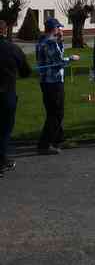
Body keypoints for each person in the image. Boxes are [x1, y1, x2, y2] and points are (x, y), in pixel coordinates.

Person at [36, 18, 80, 154]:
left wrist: (60, 42)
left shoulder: (43, 41)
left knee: (55, 112)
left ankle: (58, 140)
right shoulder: (50, 42)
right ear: (54, 28)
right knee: (55, 114)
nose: (60, 30)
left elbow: (55, 56)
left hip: (47, 81)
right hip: (53, 82)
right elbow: (58, 62)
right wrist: (71, 58)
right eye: (59, 28)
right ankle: (45, 144)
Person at [0, 20, 32, 176]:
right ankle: (1, 161)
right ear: (5, 31)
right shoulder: (12, 48)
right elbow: (26, 71)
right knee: (5, 129)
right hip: (6, 94)